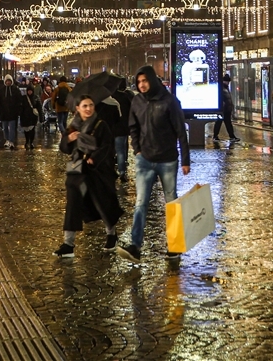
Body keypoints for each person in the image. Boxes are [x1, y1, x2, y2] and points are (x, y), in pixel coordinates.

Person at [116, 65, 190, 264]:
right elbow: (133, 126)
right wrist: (137, 149)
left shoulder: (169, 101)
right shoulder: (137, 102)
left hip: (167, 160)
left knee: (171, 203)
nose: (141, 85)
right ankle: (135, 246)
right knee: (140, 203)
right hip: (145, 160)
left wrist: (185, 160)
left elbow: (180, 130)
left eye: (145, 81)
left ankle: (174, 247)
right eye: (139, 82)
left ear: (152, 80)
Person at [54, 94, 124, 257]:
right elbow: (64, 148)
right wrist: (69, 139)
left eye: (91, 105)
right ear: (77, 108)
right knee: (73, 204)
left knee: (103, 204)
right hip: (78, 171)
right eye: (84, 106)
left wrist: (94, 158)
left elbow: (108, 146)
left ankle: (112, 234)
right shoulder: (73, 126)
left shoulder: (101, 125)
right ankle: (68, 244)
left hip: (98, 172)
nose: (88, 109)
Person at [0, 76, 23, 149]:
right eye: (7, 81)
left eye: (9, 81)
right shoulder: (1, 90)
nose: (8, 82)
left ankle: (11, 141)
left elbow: (19, 100)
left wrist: (18, 110)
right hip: (4, 112)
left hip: (13, 112)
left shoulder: (15, 90)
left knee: (12, 127)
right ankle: (7, 139)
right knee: (5, 127)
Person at [214, 74, 240, 142]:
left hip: (227, 109)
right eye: (227, 81)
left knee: (227, 123)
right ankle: (215, 136)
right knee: (219, 123)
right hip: (223, 110)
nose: (228, 83)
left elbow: (228, 99)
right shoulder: (222, 88)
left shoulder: (226, 88)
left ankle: (232, 136)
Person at [19, 85, 43, 149]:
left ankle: (31, 142)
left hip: (33, 117)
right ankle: (27, 141)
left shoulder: (36, 98)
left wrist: (41, 117)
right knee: (26, 130)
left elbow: (39, 108)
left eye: (31, 91)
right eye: (28, 91)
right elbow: (20, 107)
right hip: (25, 117)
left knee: (32, 130)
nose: (29, 92)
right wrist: (20, 113)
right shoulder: (23, 98)